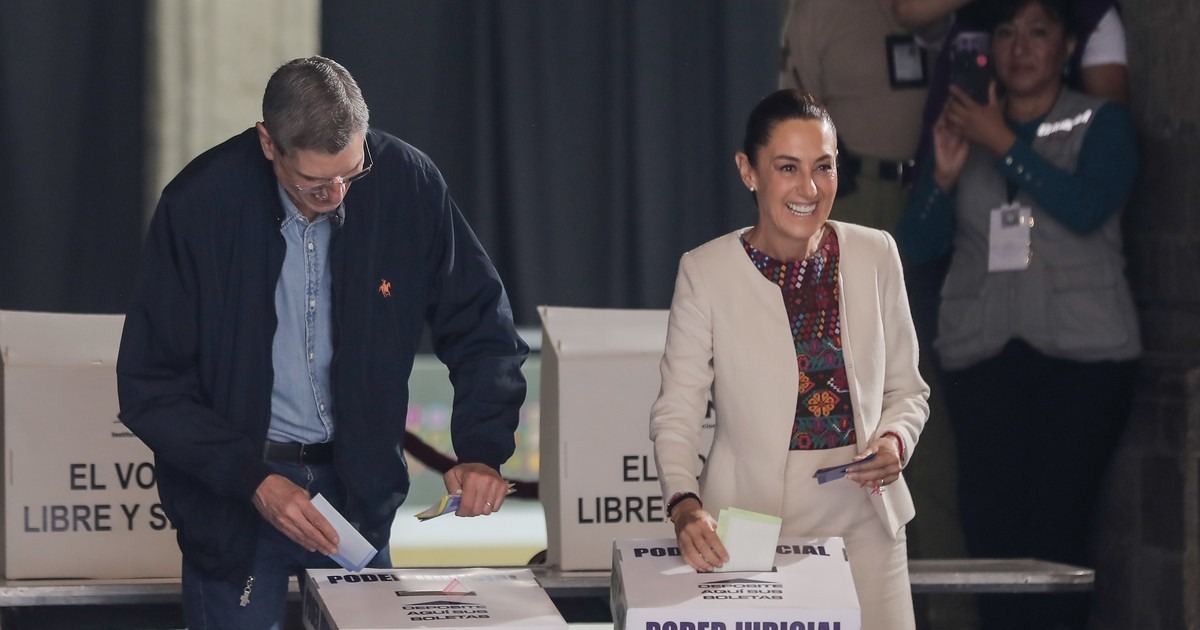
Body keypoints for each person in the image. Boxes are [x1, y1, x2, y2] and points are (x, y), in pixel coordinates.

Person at [116, 56, 528, 628]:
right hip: (235, 497)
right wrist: (251, 480)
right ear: (268, 143)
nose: (335, 194)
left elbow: (482, 325)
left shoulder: (406, 182)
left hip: (357, 494)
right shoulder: (200, 205)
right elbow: (152, 385)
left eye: (350, 174)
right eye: (313, 182)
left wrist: (482, 448)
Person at [896, 1, 1140, 627]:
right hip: (983, 357)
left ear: (1067, 47)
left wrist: (1002, 142)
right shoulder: (963, 126)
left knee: (1056, 532)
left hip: (1082, 362)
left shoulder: (1101, 121)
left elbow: (1088, 207)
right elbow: (917, 246)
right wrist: (942, 180)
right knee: (990, 531)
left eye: (1038, 32)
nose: (1021, 47)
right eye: (1006, 32)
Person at [650, 89, 930, 630]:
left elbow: (907, 390)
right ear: (748, 171)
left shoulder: (876, 253)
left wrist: (895, 441)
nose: (809, 188)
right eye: (787, 168)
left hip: (867, 523)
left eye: (823, 167)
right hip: (747, 531)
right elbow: (676, 412)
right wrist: (685, 504)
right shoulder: (705, 272)